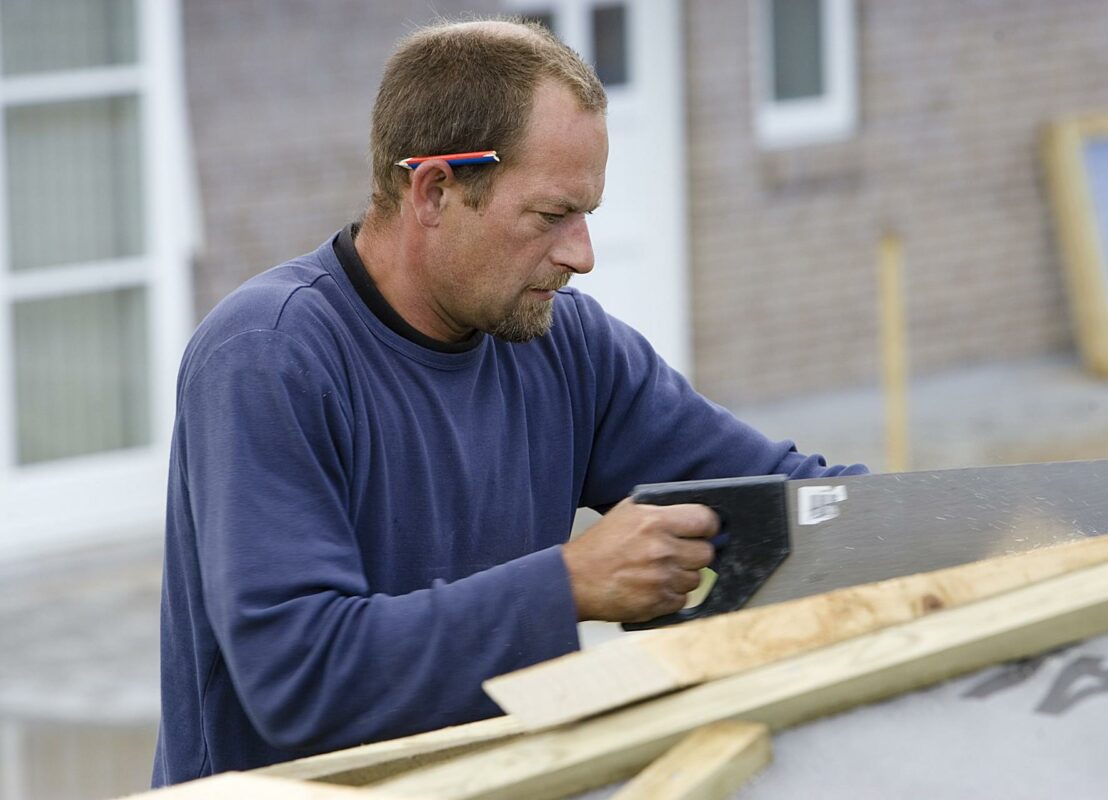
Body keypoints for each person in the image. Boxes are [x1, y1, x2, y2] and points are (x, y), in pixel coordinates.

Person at [152, 18, 866, 786]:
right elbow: (300, 678)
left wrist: (938, 532)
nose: (581, 255)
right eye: (552, 215)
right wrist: (568, 584)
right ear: (435, 190)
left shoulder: (566, 347)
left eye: (587, 214)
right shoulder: (270, 356)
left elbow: (788, 503)